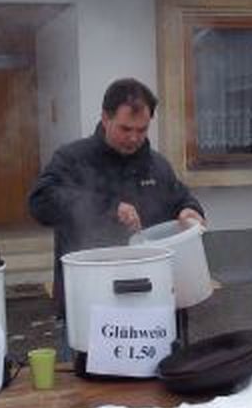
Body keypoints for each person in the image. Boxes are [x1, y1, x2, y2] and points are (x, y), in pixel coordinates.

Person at [28, 78, 205, 316]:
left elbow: (181, 198)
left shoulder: (157, 165)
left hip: (152, 299)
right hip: (90, 297)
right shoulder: (72, 159)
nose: (134, 138)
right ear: (105, 118)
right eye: (125, 129)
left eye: (141, 130)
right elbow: (40, 202)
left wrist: (190, 209)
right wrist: (110, 208)